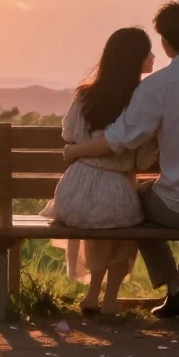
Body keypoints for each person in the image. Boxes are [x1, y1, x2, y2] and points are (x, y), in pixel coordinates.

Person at [62, 0, 179, 318]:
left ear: (163, 41)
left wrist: (77, 151)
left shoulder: (157, 86)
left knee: (137, 204)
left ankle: (176, 286)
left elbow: (119, 139)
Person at [40, 27, 159, 315]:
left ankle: (92, 295)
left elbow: (70, 137)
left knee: (100, 219)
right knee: (122, 221)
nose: (153, 56)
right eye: (148, 52)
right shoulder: (140, 102)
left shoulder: (85, 95)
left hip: (73, 194)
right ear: (136, 59)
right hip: (115, 189)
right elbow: (143, 162)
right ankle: (109, 299)